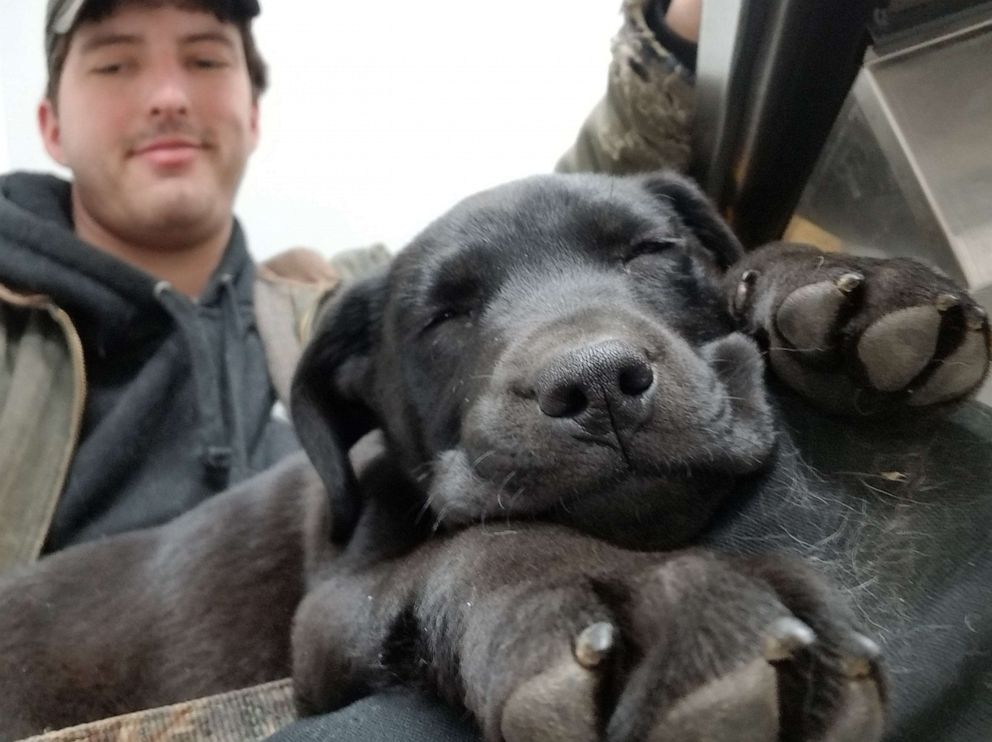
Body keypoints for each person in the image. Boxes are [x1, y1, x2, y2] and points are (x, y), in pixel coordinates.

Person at [2, 2, 989, 742]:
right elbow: (337, 615)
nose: (167, 92)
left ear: (251, 111)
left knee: (945, 468)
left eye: (205, 57)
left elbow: (557, 226)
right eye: (117, 62)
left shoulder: (339, 304)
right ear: (50, 122)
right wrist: (485, 588)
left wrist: (679, 34)